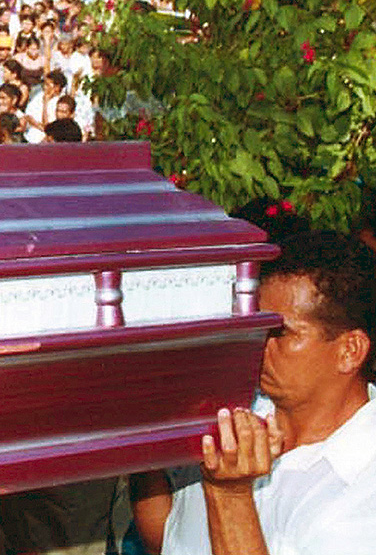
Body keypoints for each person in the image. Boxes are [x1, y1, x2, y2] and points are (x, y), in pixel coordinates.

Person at [132, 230, 376, 555]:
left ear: (350, 351)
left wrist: (229, 494)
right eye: (256, 328)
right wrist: (141, 438)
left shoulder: (364, 479)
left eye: (279, 333)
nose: (258, 344)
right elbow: (169, 537)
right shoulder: (236, 409)